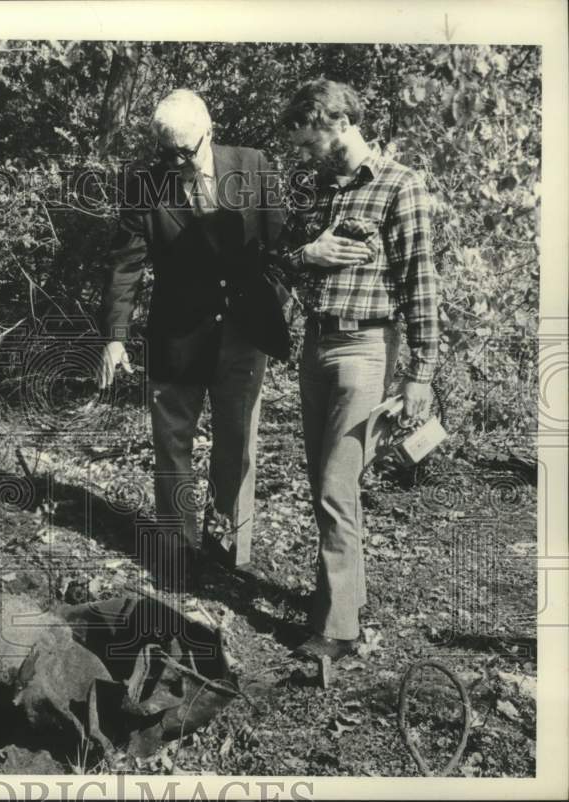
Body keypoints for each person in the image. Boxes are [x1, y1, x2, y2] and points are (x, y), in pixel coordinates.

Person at [98, 89, 291, 591]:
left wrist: (275, 305)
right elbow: (125, 264)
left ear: (210, 129)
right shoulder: (144, 184)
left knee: (236, 442)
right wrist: (115, 336)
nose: (178, 162)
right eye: (168, 152)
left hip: (242, 335)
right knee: (172, 443)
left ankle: (228, 545)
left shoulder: (253, 165)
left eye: (187, 150)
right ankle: (178, 549)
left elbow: (283, 245)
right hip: (176, 334)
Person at [276, 79, 439, 661]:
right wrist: (305, 256)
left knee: (334, 485)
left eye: (306, 140)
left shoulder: (400, 185)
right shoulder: (314, 190)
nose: (301, 154)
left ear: (339, 123)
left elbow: (421, 282)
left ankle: (338, 632)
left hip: (365, 350)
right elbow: (279, 264)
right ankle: (345, 598)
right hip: (314, 348)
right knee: (324, 478)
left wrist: (420, 373)